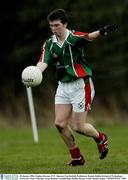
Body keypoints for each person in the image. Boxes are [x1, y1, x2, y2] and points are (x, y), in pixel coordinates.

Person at [31, 9, 116, 166]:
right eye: (51, 26)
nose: (54, 29)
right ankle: (77, 157)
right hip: (63, 86)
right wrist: (34, 73)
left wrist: (102, 31)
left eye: (56, 25)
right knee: (60, 124)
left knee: (78, 126)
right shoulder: (49, 44)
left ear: (65, 24)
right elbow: (43, 62)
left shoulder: (74, 38)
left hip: (81, 85)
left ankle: (100, 138)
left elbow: (89, 36)